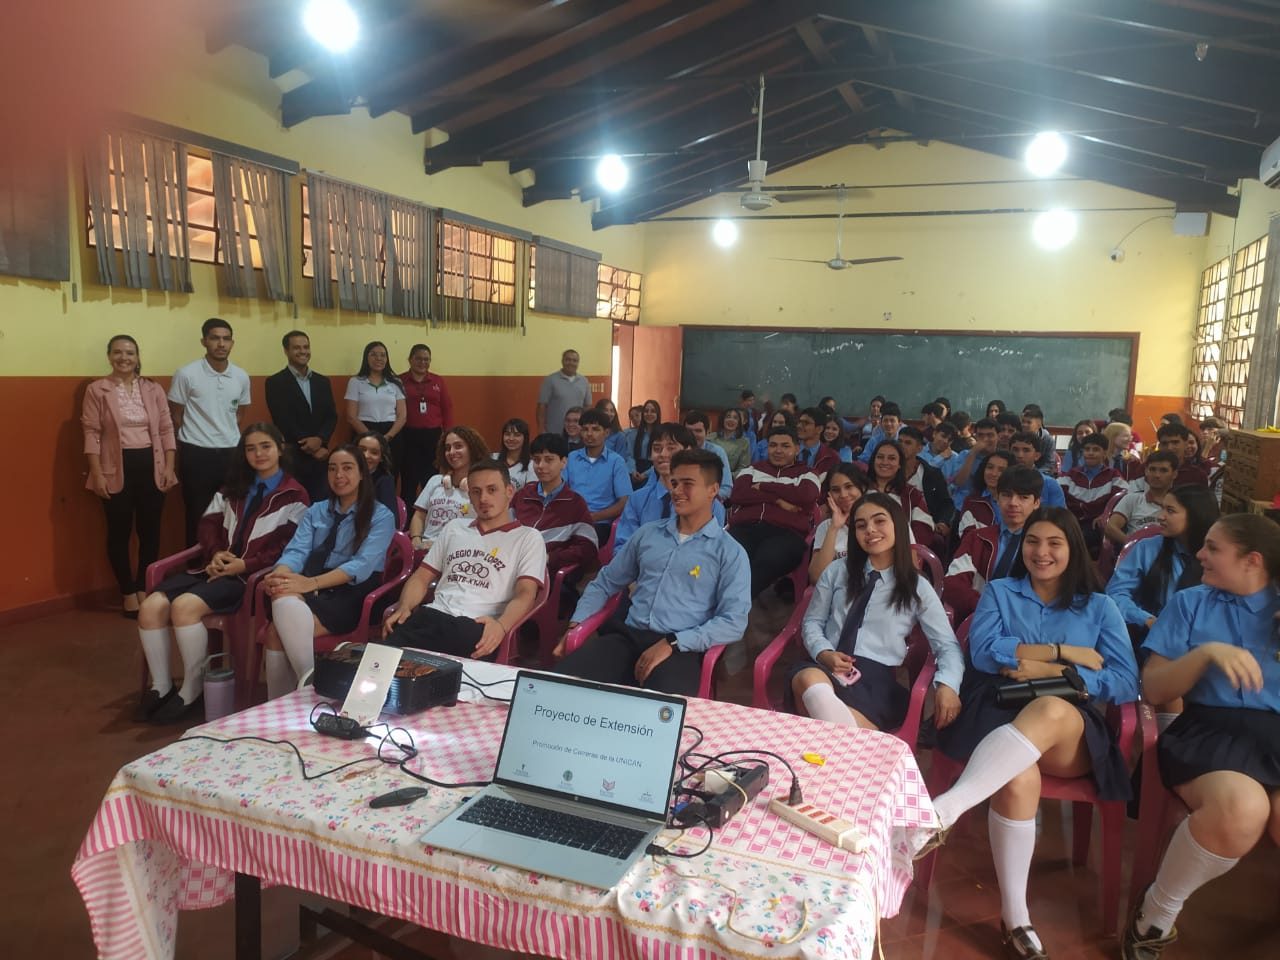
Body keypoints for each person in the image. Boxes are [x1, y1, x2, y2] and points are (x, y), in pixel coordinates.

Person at [931, 508, 1139, 959]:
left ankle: (946, 808)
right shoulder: (1002, 592)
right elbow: (985, 654)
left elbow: (1125, 679)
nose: (1040, 553)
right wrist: (1062, 654)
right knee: (1018, 776)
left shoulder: (1100, 607)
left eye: (1054, 544)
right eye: (1032, 542)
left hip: (1070, 732)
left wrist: (1063, 676)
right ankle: (1016, 916)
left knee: (1051, 706)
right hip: (1003, 718)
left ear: (1073, 550)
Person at [1124, 513, 1280, 960]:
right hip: (1210, 729)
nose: (1199, 554)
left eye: (1213, 548)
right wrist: (1207, 654)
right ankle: (1155, 912)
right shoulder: (1192, 603)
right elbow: (1153, 689)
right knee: (1240, 810)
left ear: (1252, 560)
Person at [137, 423, 308, 722]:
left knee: (183, 607)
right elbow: (208, 525)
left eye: (265, 446)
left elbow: (288, 545)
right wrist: (215, 553)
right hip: (214, 569)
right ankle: (161, 686)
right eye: (251, 448)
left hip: (247, 579)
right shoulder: (232, 487)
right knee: (150, 607)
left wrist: (246, 564)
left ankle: (192, 689)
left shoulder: (294, 495)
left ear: (281, 448)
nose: (258, 454)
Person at [553, 449, 750, 696]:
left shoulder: (729, 552)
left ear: (713, 490)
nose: (677, 491)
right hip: (626, 637)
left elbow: (734, 621)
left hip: (680, 647)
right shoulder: (648, 534)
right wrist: (576, 624)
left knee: (659, 714)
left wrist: (674, 643)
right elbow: (605, 581)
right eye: (674, 482)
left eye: (687, 484)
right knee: (559, 689)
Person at [792, 494, 963, 730]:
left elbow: (946, 644)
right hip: (826, 666)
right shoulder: (837, 571)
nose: (870, 530)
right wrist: (823, 653)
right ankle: (852, 744)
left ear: (898, 524)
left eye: (879, 521)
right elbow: (812, 621)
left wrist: (948, 684)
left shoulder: (916, 585)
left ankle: (845, 747)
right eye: (861, 525)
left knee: (830, 727)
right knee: (807, 679)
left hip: (875, 680)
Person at [261, 446, 396, 698]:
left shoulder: (381, 515)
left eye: (347, 468)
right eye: (332, 469)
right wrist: (281, 574)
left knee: (274, 633)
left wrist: (308, 584)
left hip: (353, 591)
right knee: (280, 592)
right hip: (313, 583)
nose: (338, 475)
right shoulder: (316, 511)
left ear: (362, 474)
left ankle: (294, 697)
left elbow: (361, 566)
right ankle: (307, 686)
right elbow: (296, 551)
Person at [382, 461, 547, 660]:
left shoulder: (528, 538)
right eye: (476, 491)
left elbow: (525, 595)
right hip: (433, 615)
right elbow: (421, 578)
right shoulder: (454, 528)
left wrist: (501, 627)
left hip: (477, 624)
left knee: (439, 677)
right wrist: (405, 607)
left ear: (509, 491)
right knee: (379, 662)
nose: (483, 498)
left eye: (492, 490)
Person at [83, 334, 179, 616]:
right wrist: (96, 473)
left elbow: (166, 429)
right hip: (115, 467)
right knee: (119, 532)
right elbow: (91, 432)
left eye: (130, 353)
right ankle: (127, 591)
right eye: (117, 352)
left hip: (152, 464)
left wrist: (169, 466)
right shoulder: (96, 390)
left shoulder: (153, 389)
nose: (124, 358)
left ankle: (142, 587)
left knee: (150, 531)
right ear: (109, 355)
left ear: (138, 357)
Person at [169, 318, 251, 545]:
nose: (221, 344)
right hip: (197, 455)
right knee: (197, 516)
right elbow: (176, 415)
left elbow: (239, 414)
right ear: (204, 341)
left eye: (226, 339)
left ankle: (226, 568)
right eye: (215, 338)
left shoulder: (241, 376)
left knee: (231, 514)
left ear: (232, 343)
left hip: (231, 454)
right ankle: (197, 570)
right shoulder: (186, 374)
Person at [1107, 485, 1218, 645]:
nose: (1160, 517)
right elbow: (1115, 593)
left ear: (1196, 516)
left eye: (1170, 511)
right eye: (1162, 509)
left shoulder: (1217, 556)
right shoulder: (1148, 548)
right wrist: (1147, 619)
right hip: (1153, 637)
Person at [729, 425, 821, 598]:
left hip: (787, 533)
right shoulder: (753, 469)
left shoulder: (807, 473)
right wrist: (777, 500)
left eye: (785, 446)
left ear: (796, 449)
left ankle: (735, 602)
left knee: (768, 559)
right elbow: (738, 494)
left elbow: (806, 495)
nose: (778, 450)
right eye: (773, 445)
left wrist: (763, 486)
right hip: (745, 528)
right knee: (726, 555)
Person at [943, 466, 1044, 623]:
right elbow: (952, 583)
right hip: (979, 616)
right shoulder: (977, 538)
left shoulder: (1045, 545)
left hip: (1029, 622)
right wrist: (988, 607)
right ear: (997, 497)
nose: (1013, 503)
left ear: (1036, 502)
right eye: (1006, 495)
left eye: (1023, 497)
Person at [615, 423, 726, 553]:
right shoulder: (637, 500)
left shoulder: (710, 504)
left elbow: (712, 551)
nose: (663, 454)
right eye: (657, 448)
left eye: (671, 448)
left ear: (689, 451)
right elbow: (623, 548)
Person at [265, 330, 336, 502]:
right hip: (294, 457)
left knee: (321, 507)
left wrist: (321, 440)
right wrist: (310, 445)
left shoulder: (322, 381)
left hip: (321, 456)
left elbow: (331, 416)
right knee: (295, 507)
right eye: (296, 348)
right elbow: (282, 419)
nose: (303, 351)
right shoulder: (275, 382)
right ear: (286, 351)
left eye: (306, 347)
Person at [514, 433, 598, 573]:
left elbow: (588, 546)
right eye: (536, 460)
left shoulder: (574, 503)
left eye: (549, 460)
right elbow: (504, 530)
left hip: (547, 572)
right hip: (512, 565)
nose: (541, 466)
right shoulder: (523, 495)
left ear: (563, 462)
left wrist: (550, 558)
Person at [410, 426, 490, 553]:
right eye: (447, 448)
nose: (452, 452)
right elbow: (419, 516)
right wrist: (416, 540)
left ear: (472, 449)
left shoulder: (482, 488)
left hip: (460, 553)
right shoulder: (435, 481)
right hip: (426, 549)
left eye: (458, 446)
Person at [565, 408, 632, 543]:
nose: (589, 434)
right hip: (570, 520)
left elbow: (624, 502)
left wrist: (593, 517)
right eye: (585, 429)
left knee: (579, 543)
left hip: (600, 524)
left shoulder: (616, 462)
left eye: (595, 429)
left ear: (606, 433)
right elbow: (561, 490)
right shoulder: (572, 458)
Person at [398, 344, 453, 502]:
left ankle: (430, 516)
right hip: (408, 435)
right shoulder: (400, 381)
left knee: (432, 480)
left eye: (426, 359)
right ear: (410, 360)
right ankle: (408, 521)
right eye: (418, 358)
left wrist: (448, 436)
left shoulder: (438, 381)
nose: (423, 362)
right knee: (409, 480)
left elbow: (447, 408)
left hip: (433, 437)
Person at [1058, 433, 1128, 547]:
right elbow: (1058, 494)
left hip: (1096, 524)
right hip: (1071, 521)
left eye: (1096, 449)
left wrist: (1106, 515)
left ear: (1104, 453)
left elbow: (1123, 498)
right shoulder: (1072, 475)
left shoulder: (1113, 475)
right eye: (1087, 449)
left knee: (1085, 537)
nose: (1090, 453)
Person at [344, 341, 406, 465]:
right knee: (364, 473)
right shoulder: (355, 382)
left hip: (391, 435)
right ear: (366, 357)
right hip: (363, 432)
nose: (378, 358)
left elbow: (402, 416)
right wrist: (371, 438)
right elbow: (351, 416)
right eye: (373, 354)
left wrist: (387, 437)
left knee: (389, 473)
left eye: (383, 355)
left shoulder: (395, 382)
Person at [809, 464, 870, 583]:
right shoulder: (827, 527)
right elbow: (816, 578)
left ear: (862, 487)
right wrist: (834, 528)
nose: (843, 495)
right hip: (837, 589)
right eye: (836, 490)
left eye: (849, 486)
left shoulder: (884, 520)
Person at [867, 439, 935, 545]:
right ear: (873, 461)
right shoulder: (860, 489)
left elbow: (924, 527)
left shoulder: (911, 494)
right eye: (880, 457)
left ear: (899, 464)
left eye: (892, 458)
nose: (885, 462)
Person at [898, 426, 957, 548]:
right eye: (899, 442)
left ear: (919, 449)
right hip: (894, 522)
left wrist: (943, 522)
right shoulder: (889, 472)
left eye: (908, 443)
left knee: (936, 541)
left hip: (925, 524)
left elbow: (946, 504)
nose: (901, 446)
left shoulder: (932, 474)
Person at [1104, 452, 1179, 546]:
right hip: (1135, 554)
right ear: (1146, 471)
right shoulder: (1132, 499)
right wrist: (1133, 546)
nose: (1157, 475)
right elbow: (1110, 528)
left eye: (1163, 470)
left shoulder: (1180, 503)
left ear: (1174, 474)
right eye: (1152, 469)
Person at [956, 450, 1015, 539]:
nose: (993, 473)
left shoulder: (1016, 503)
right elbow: (967, 536)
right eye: (990, 467)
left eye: (1001, 470)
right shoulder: (972, 501)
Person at [536, 348, 593, 436]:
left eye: (574, 360)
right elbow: (542, 407)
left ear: (578, 363)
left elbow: (588, 407)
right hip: (554, 432)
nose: (571, 363)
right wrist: (541, 430)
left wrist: (586, 429)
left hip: (577, 433)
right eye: (568, 360)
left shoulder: (584, 381)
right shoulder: (550, 380)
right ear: (562, 361)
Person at [681, 410, 734, 499]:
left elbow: (726, 489)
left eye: (698, 431)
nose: (693, 435)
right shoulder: (677, 451)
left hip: (709, 502)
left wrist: (701, 498)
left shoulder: (717, 452)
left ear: (707, 432)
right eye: (689, 431)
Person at [951, 417, 1002, 509]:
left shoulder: (1002, 458)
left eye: (990, 435)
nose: (985, 439)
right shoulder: (964, 454)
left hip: (993, 507)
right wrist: (973, 453)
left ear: (998, 436)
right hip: (962, 505)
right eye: (981, 435)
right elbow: (958, 482)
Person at [1009, 432, 1067, 509]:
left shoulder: (1049, 484)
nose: (1020, 455)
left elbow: (1058, 518)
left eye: (1026, 450)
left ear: (1037, 456)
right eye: (1015, 450)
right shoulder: (1000, 479)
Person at [355, 431, 400, 521]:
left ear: (382, 458)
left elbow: (391, 520)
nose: (366, 455)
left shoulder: (385, 480)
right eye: (362, 450)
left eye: (374, 452)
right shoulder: (339, 474)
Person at [795, 407, 842, 483]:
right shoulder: (788, 452)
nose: (799, 426)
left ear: (819, 429)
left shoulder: (832, 457)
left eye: (806, 423)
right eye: (799, 422)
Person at [493, 417, 533, 489]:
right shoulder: (493, 458)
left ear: (525, 438)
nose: (511, 438)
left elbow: (529, 494)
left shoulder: (531, 465)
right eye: (507, 434)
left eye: (517, 435)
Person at [710, 407, 751, 476]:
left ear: (739, 423)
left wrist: (728, 476)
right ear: (722, 420)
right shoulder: (711, 437)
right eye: (728, 417)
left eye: (735, 418)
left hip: (730, 479)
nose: (731, 420)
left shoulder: (744, 442)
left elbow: (743, 468)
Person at [627, 399, 661, 481]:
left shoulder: (662, 434)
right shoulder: (633, 434)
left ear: (657, 414)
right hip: (635, 471)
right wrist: (633, 471)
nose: (649, 414)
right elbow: (629, 455)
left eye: (653, 411)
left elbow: (660, 460)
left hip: (654, 471)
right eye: (646, 411)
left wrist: (646, 474)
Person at [1019, 404, 1056, 472]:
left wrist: (1035, 473)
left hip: (1040, 474)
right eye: (1023, 422)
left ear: (1039, 424)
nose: (1024, 425)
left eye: (1028, 422)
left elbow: (1049, 464)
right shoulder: (1017, 438)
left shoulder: (1048, 440)